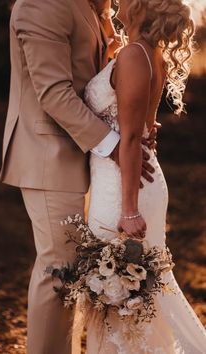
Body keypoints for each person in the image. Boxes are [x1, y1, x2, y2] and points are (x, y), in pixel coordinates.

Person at [0, 0, 158, 353]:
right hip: (49, 156)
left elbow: (96, 83)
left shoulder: (87, 6)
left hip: (87, 157)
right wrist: (117, 146)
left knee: (73, 272)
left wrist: (134, 121)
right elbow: (54, 93)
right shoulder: (42, 5)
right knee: (59, 271)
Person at [84, 0, 206, 353]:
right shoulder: (140, 53)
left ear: (140, 8)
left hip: (126, 187)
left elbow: (133, 136)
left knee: (127, 291)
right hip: (130, 177)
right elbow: (141, 125)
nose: (119, 1)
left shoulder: (135, 56)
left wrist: (129, 209)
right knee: (136, 292)